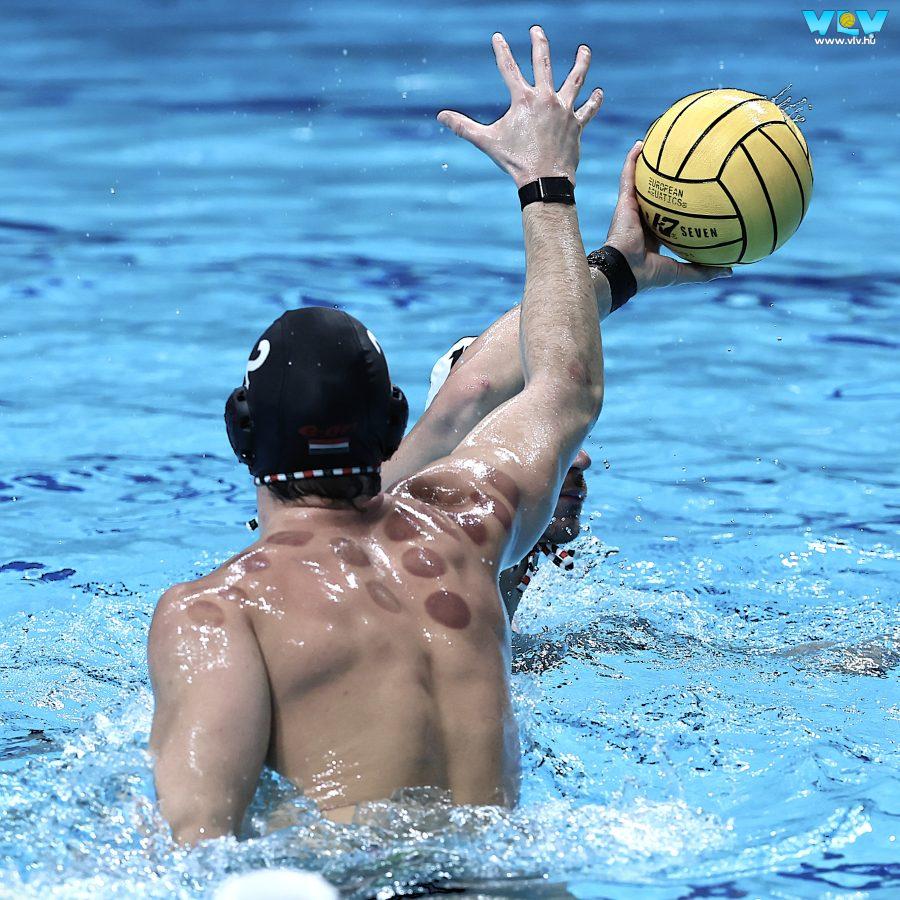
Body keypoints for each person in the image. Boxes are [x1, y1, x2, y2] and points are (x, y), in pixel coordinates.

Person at [148, 26, 730, 845]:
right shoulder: (464, 527)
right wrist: (550, 190)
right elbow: (561, 385)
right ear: (392, 423)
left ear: (241, 435)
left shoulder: (220, 612)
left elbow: (191, 853)